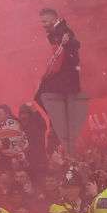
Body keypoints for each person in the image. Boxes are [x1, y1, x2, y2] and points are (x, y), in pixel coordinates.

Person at [35, 8, 85, 151]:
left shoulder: (63, 30)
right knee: (41, 96)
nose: (43, 24)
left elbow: (75, 44)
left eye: (45, 21)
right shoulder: (56, 32)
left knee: (41, 95)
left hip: (65, 78)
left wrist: (67, 43)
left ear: (53, 18)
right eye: (41, 22)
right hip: (62, 78)